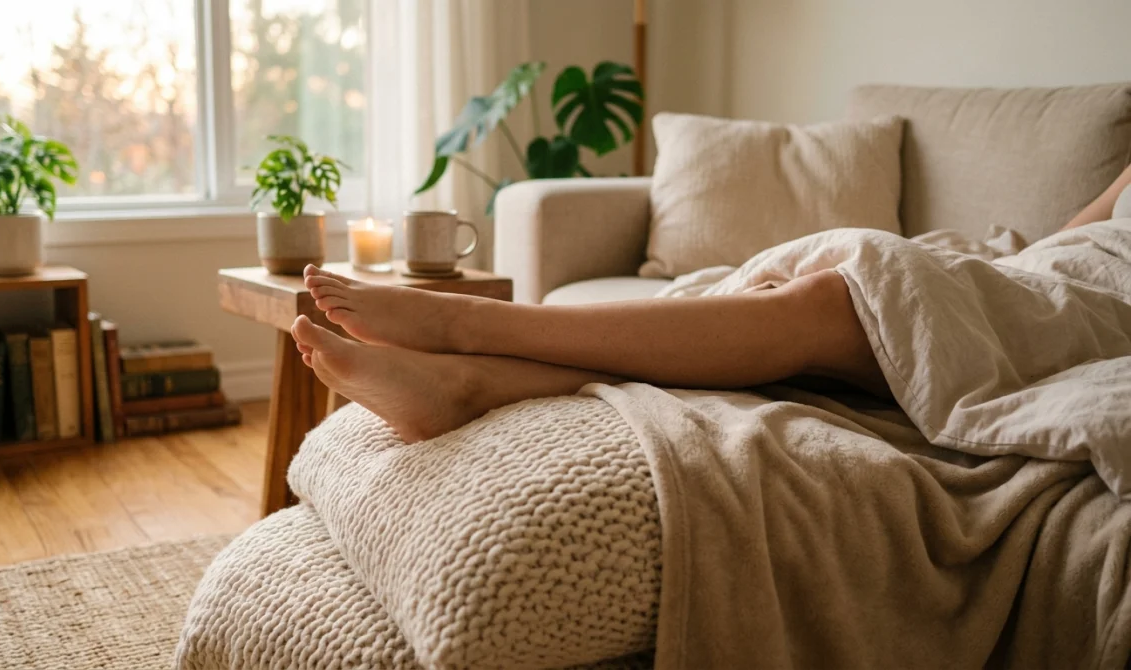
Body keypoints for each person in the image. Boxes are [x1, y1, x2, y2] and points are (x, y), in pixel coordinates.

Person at [289, 163, 1131, 443]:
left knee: (838, 296)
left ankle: (463, 327)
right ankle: (469, 387)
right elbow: (1072, 233)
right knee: (793, 297)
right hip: (1049, 266)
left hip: (1104, 295)